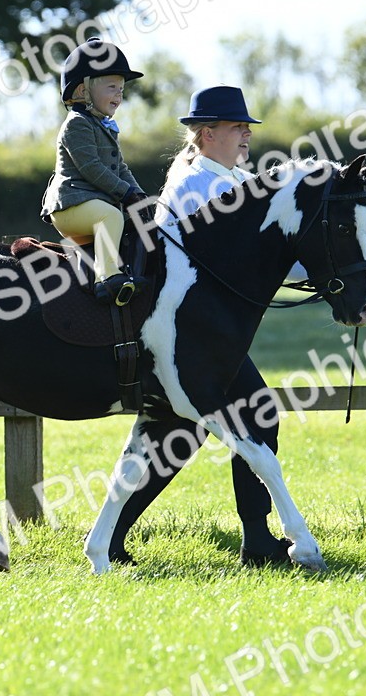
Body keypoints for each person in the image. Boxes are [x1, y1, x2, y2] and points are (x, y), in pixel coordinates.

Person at [108, 85, 300, 567]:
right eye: (237, 128)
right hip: (189, 330)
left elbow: (269, 248)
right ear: (208, 134)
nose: (246, 136)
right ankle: (257, 540)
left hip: (208, 329)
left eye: (247, 128)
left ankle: (114, 538)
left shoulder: (235, 178)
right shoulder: (196, 183)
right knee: (252, 417)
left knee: (183, 434)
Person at [40, 38, 148, 304]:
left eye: (122, 89)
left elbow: (121, 168)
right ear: (82, 91)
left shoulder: (104, 126)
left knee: (132, 223)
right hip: (70, 206)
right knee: (111, 217)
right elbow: (92, 169)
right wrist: (126, 194)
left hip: (92, 205)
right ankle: (107, 279)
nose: (119, 95)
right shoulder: (76, 125)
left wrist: (140, 195)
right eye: (111, 87)